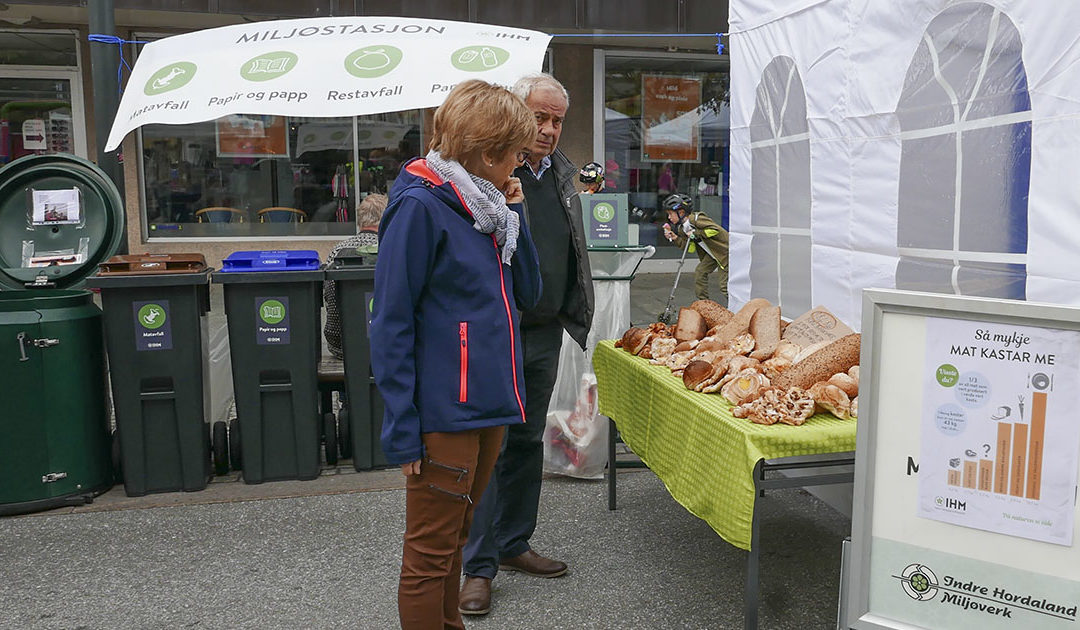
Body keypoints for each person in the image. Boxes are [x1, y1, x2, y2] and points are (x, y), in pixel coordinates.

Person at [369, 80, 542, 630]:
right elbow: (390, 322)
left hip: (488, 401)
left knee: (455, 541)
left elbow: (529, 294)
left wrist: (518, 215)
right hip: (446, 409)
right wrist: (402, 423)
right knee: (428, 557)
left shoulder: (488, 205)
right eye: (517, 151)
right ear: (488, 153)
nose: (523, 160)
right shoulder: (422, 205)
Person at [459, 73, 595, 616]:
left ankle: (514, 543)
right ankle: (478, 565)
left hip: (543, 330)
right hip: (498, 330)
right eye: (539, 117)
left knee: (524, 441)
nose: (548, 129)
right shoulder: (490, 172)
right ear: (515, 112)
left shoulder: (562, 174)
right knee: (488, 446)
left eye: (557, 120)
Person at [323, 193, 387, 359]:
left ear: (360, 221)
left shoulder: (338, 251)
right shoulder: (392, 250)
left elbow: (329, 297)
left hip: (341, 344)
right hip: (386, 344)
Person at [662, 193, 729, 303]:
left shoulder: (697, 219)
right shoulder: (682, 228)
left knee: (724, 286)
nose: (669, 217)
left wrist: (696, 233)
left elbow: (715, 230)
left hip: (724, 253)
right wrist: (675, 237)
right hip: (712, 255)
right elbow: (689, 248)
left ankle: (740, 309)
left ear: (681, 212)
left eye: (670, 214)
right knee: (700, 272)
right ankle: (704, 303)